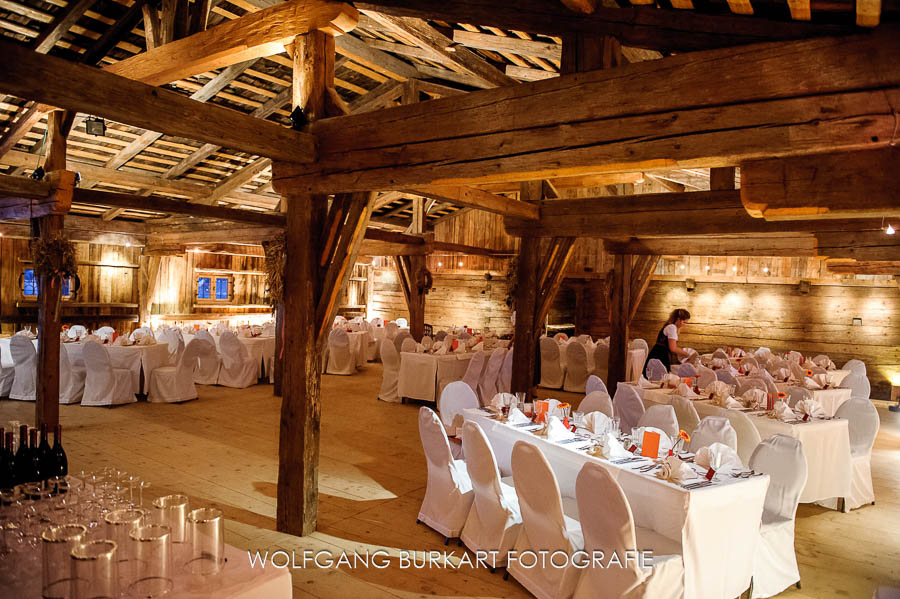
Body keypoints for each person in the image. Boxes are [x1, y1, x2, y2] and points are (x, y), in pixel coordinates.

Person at [644, 308, 691, 376]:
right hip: (660, 355)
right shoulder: (672, 327)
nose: (684, 325)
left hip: (659, 353)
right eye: (684, 322)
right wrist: (686, 354)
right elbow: (673, 348)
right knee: (659, 378)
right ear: (678, 319)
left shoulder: (670, 326)